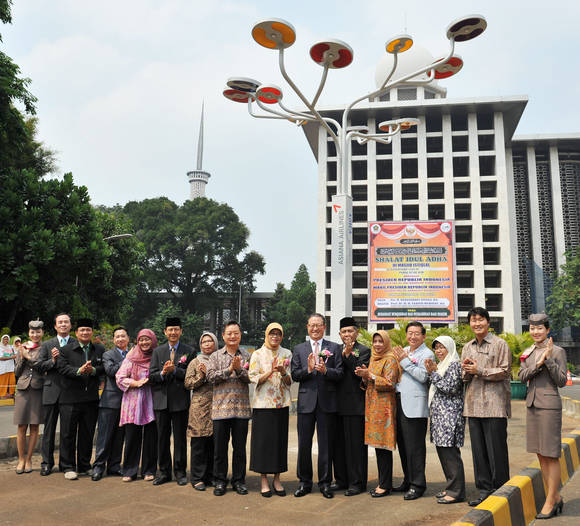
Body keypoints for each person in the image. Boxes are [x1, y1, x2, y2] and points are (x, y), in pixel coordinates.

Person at [518, 313, 567, 519]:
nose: (535, 332)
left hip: (549, 406)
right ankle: (553, 497)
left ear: (547, 330)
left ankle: (551, 500)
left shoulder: (557, 351)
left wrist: (548, 360)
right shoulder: (528, 353)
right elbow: (521, 377)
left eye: (539, 328)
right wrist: (537, 364)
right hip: (532, 405)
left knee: (551, 454)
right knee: (540, 454)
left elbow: (562, 381)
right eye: (532, 328)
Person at [461, 307, 511, 506]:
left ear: (488, 322)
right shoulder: (467, 347)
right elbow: (464, 377)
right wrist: (466, 370)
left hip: (494, 405)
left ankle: (501, 491)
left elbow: (505, 371)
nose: (477, 324)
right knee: (479, 452)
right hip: (473, 405)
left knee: (496, 450)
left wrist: (479, 369)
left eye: (480, 320)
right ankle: (483, 490)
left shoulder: (500, 344)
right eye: (473, 320)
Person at [291, 313, 343, 499]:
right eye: (312, 325)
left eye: (318, 325)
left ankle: (325, 482)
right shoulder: (299, 349)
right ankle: (304, 482)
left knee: (326, 445)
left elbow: (340, 373)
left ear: (324, 327)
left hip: (327, 404)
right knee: (304, 444)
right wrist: (309, 370)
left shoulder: (334, 348)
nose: (315, 329)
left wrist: (325, 370)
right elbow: (295, 374)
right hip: (306, 403)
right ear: (307, 327)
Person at [206, 321, 251, 496]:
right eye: (229, 333)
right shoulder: (215, 356)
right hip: (220, 410)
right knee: (220, 449)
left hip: (241, 409)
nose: (233, 336)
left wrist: (239, 370)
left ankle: (239, 481)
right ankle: (220, 481)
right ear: (223, 336)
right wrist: (229, 369)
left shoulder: (247, 355)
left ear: (240, 335)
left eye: (236, 333)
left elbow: (250, 378)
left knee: (240, 449)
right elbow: (210, 377)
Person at [57, 318, 105, 480]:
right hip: (70, 398)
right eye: (82, 330)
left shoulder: (99, 349)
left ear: (92, 332)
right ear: (76, 333)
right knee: (67, 434)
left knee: (87, 433)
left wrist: (92, 371)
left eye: (88, 330)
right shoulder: (66, 350)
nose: (85, 333)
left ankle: (84, 465)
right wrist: (79, 370)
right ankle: (67, 466)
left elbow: (103, 367)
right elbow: (63, 368)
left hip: (91, 399)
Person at [392, 321, 434, 500]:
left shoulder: (427, 353)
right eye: (410, 333)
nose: (412, 336)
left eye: (417, 333)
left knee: (415, 448)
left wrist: (404, 361)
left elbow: (423, 376)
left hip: (415, 407)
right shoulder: (406, 351)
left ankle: (418, 485)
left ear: (423, 336)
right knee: (403, 445)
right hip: (399, 403)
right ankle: (408, 480)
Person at [249, 322, 292, 497]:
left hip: (281, 404)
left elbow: (290, 382)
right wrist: (270, 372)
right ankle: (264, 480)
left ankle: (277, 479)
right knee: (263, 444)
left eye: (278, 334)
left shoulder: (287, 353)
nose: (275, 336)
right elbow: (253, 378)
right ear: (266, 335)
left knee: (279, 443)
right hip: (262, 405)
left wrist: (282, 372)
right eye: (272, 333)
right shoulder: (257, 354)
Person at [149, 317, 194, 486]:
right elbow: (151, 376)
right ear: (165, 332)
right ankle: (164, 472)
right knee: (162, 438)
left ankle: (180, 472)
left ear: (181, 331)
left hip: (180, 401)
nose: (173, 332)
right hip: (161, 402)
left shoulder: (189, 351)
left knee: (180, 438)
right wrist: (162, 373)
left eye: (176, 329)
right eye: (170, 329)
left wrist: (175, 370)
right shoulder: (158, 351)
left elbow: (190, 375)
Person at [355, 330, 399, 498]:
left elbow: (390, 383)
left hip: (385, 408)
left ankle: (385, 485)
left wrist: (370, 375)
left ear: (386, 343)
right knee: (379, 448)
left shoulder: (390, 360)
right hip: (373, 407)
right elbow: (368, 384)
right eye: (375, 341)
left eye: (381, 341)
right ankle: (384, 482)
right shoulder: (373, 359)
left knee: (384, 448)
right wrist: (365, 377)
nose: (377, 344)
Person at [424, 336, 466, 504]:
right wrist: (433, 372)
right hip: (440, 417)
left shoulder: (454, 364)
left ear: (450, 348)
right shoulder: (441, 365)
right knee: (443, 454)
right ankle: (451, 487)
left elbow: (449, 388)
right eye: (436, 348)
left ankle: (456, 492)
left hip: (450, 416)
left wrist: (432, 373)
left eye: (442, 347)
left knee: (451, 455)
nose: (439, 351)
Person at [333, 316, 371, 496]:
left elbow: (358, 372)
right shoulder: (333, 350)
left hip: (355, 405)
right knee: (338, 445)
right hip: (335, 405)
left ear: (357, 333)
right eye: (344, 332)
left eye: (350, 331)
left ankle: (357, 482)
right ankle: (341, 480)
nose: (347, 334)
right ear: (339, 334)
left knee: (356, 446)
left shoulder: (363, 350)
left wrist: (348, 354)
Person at [116, 328, 159, 482]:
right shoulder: (131, 357)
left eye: (147, 339)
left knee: (150, 437)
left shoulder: (157, 356)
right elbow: (120, 377)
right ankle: (129, 470)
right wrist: (135, 383)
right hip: (133, 402)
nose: (144, 342)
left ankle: (149, 470)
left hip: (151, 401)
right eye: (141, 339)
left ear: (153, 340)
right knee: (132, 436)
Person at [36, 313, 75, 476]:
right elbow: (38, 366)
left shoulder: (76, 343)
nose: (63, 324)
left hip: (70, 392)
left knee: (67, 431)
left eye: (66, 322)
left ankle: (66, 464)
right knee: (49, 431)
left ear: (71, 325)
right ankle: (46, 463)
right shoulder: (47, 344)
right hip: (51, 391)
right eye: (60, 322)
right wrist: (52, 361)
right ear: (55, 326)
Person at [91, 327, 129, 481]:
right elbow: (111, 371)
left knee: (120, 437)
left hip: (127, 402)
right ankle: (98, 467)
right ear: (114, 340)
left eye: (123, 336)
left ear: (128, 338)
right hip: (109, 401)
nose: (120, 339)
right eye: (117, 336)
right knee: (104, 437)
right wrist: (128, 362)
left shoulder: (133, 354)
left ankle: (114, 466)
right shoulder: (108, 354)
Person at [184, 331, 218, 491]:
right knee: (199, 443)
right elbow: (188, 383)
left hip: (218, 406)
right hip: (199, 407)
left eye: (210, 341)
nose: (207, 344)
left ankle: (211, 475)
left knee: (214, 443)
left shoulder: (219, 360)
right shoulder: (195, 362)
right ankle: (197, 477)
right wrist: (202, 377)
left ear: (216, 343)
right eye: (204, 342)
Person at [13, 321, 45, 474]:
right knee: (21, 426)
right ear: (29, 333)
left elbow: (43, 367)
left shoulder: (45, 348)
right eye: (32, 332)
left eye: (38, 332)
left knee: (34, 426)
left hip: (38, 389)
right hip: (23, 389)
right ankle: (20, 459)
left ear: (42, 333)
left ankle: (29, 459)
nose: (35, 335)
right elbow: (17, 371)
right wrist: (22, 355)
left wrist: (29, 358)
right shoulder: (23, 347)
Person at [0, 334, 16, 399]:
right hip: (3, 368)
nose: (6, 340)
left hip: (11, 367)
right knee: (3, 381)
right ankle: (2, 395)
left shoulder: (11, 347)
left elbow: (16, 353)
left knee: (12, 381)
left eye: (7, 339)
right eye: (4, 339)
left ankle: (11, 394)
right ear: (2, 339)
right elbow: (0, 358)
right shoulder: (0, 347)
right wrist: (11, 357)